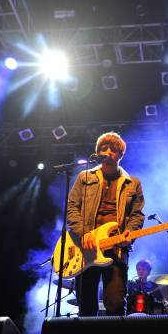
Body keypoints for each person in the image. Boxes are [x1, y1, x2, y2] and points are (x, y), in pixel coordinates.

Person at [67, 132, 145, 316]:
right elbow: (72, 207)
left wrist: (130, 234)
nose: (108, 152)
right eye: (103, 149)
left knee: (116, 304)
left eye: (113, 149)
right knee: (85, 305)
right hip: (86, 248)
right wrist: (83, 233)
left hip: (116, 250)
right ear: (98, 152)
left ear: (120, 155)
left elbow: (137, 215)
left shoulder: (133, 183)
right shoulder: (85, 177)